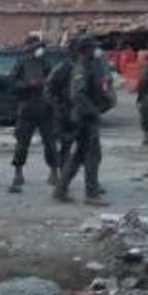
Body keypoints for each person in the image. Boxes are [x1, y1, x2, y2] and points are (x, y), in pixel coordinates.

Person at [53, 35, 111, 206]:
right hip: (84, 117)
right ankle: (91, 194)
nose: (96, 50)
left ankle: (60, 189)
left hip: (86, 116)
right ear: (85, 50)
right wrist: (92, 111)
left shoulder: (90, 65)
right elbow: (77, 94)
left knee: (79, 155)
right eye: (93, 48)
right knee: (92, 155)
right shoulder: (81, 68)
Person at [7, 43, 59, 193]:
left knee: (50, 142)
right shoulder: (21, 64)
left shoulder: (45, 64)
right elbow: (12, 84)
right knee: (22, 142)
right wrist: (28, 84)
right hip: (27, 107)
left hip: (45, 108)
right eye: (37, 48)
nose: (40, 51)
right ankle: (18, 172)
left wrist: (47, 88)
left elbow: (53, 82)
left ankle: (54, 171)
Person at [46, 45, 76, 172]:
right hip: (63, 111)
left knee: (73, 146)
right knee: (59, 144)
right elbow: (49, 89)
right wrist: (56, 107)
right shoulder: (63, 68)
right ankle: (56, 171)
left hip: (78, 112)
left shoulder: (85, 67)